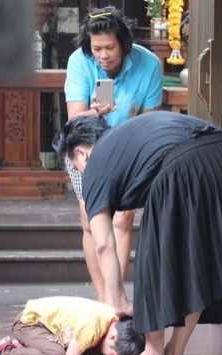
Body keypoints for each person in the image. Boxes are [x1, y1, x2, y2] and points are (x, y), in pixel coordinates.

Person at [52, 111, 222, 355]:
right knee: (197, 261)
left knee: (154, 258)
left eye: (75, 166)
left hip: (187, 163)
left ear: (82, 152)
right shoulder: (128, 137)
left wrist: (118, 301)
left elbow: (103, 244)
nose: (79, 172)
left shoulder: (96, 166)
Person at [63, 7, 163, 304]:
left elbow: (150, 122)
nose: (103, 55)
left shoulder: (148, 64)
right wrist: (96, 112)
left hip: (129, 147)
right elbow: (74, 121)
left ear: (124, 44)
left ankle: (114, 299)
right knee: (90, 220)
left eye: (110, 47)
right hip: (87, 147)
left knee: (122, 219)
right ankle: (103, 298)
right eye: (97, 49)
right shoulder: (80, 62)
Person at [0, 295, 145, 355]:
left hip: (49, 327)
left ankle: (31, 346)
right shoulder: (93, 326)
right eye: (112, 353)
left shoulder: (113, 320)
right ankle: (6, 350)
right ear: (113, 336)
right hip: (29, 323)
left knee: (92, 353)